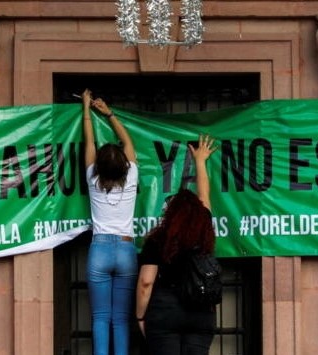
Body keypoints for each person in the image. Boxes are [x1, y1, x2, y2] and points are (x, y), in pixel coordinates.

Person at [135, 134, 217, 355]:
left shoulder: (158, 239)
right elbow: (204, 196)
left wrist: (141, 316)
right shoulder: (204, 231)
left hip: (165, 311)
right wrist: (200, 162)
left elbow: (145, 282)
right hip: (200, 310)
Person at [82, 89, 139, 355]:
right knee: (121, 319)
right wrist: (110, 114)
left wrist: (86, 109)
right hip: (126, 249)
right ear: (125, 167)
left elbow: (89, 142)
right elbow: (128, 142)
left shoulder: (93, 178)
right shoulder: (132, 177)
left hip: (100, 250)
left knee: (101, 317)